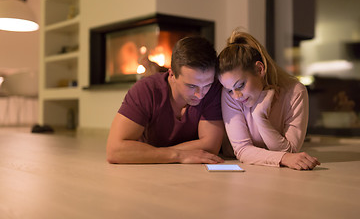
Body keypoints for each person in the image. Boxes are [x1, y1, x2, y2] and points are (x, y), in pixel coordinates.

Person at [106, 36, 225, 164]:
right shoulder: (146, 90)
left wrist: (149, 153)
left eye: (207, 85)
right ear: (172, 74)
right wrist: (178, 155)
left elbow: (210, 146)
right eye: (191, 86)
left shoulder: (214, 89)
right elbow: (115, 151)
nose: (200, 94)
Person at [217, 30, 320, 170]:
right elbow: (242, 150)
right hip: (235, 164)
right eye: (229, 89)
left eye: (240, 85)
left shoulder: (295, 92)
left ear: (260, 69)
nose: (236, 96)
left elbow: (291, 151)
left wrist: (260, 118)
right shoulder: (229, 95)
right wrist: (283, 158)